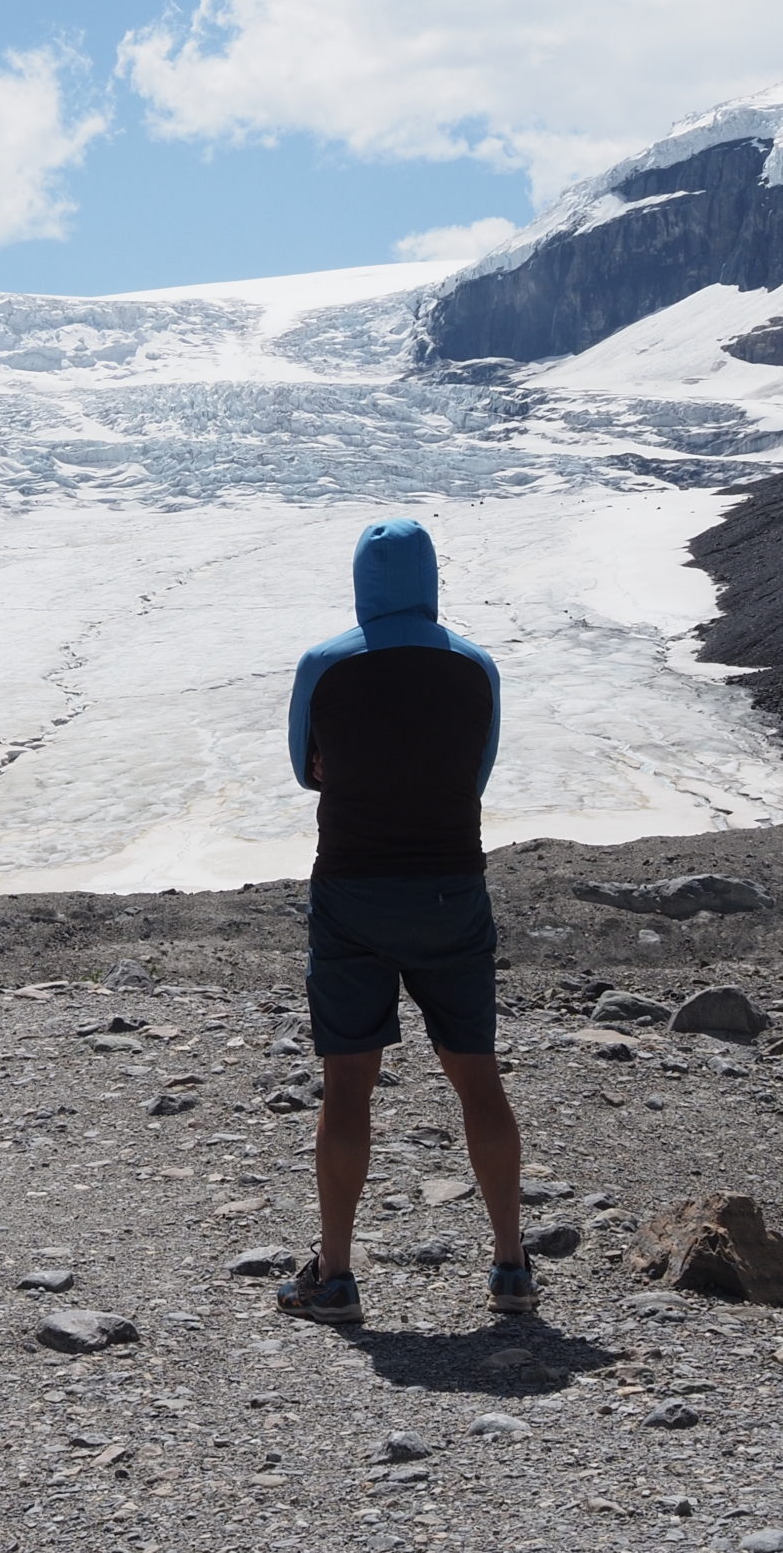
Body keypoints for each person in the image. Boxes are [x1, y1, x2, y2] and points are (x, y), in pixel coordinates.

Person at [273, 516, 531, 1324]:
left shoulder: (325, 665)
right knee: (477, 1077)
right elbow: (476, 773)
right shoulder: (475, 667)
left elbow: (304, 770)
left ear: (362, 581)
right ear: (430, 579)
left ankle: (338, 1278)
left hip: (353, 890)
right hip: (453, 886)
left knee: (349, 1083)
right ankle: (511, 1268)